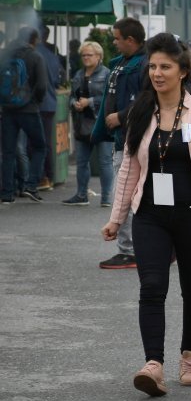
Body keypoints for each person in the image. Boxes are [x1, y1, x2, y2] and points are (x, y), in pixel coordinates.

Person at [100, 32, 191, 397]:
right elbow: (129, 169)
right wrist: (117, 217)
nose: (157, 73)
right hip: (150, 215)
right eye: (152, 66)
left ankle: (190, 357)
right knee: (152, 286)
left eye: (165, 66)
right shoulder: (140, 110)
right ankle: (153, 365)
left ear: (182, 71)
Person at [92, 17, 147, 270]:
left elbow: (148, 101)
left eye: (116, 38)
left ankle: (130, 250)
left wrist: (121, 116)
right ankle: (145, 247)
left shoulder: (143, 64)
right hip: (122, 138)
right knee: (133, 195)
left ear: (130, 40)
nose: (113, 42)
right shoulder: (125, 63)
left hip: (131, 139)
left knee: (123, 195)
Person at [0, 27, 48, 204]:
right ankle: (30, 184)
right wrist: (35, 101)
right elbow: (42, 85)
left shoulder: (5, 55)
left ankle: (6, 193)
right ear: (34, 39)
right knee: (39, 147)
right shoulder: (35, 56)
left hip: (7, 110)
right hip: (29, 110)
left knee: (8, 152)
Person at [62, 41, 112, 206]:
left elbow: (110, 99)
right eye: (83, 55)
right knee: (81, 161)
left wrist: (89, 102)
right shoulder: (78, 74)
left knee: (105, 161)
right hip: (81, 124)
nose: (85, 58)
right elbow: (71, 97)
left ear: (99, 56)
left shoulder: (106, 74)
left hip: (101, 123)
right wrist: (74, 103)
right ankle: (81, 195)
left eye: (89, 55)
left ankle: (106, 198)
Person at [35, 26, 65, 191]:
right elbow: (58, 78)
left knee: (37, 143)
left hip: (38, 103)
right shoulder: (52, 56)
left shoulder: (35, 53)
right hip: (51, 102)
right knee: (47, 142)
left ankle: (41, 177)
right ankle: (49, 176)